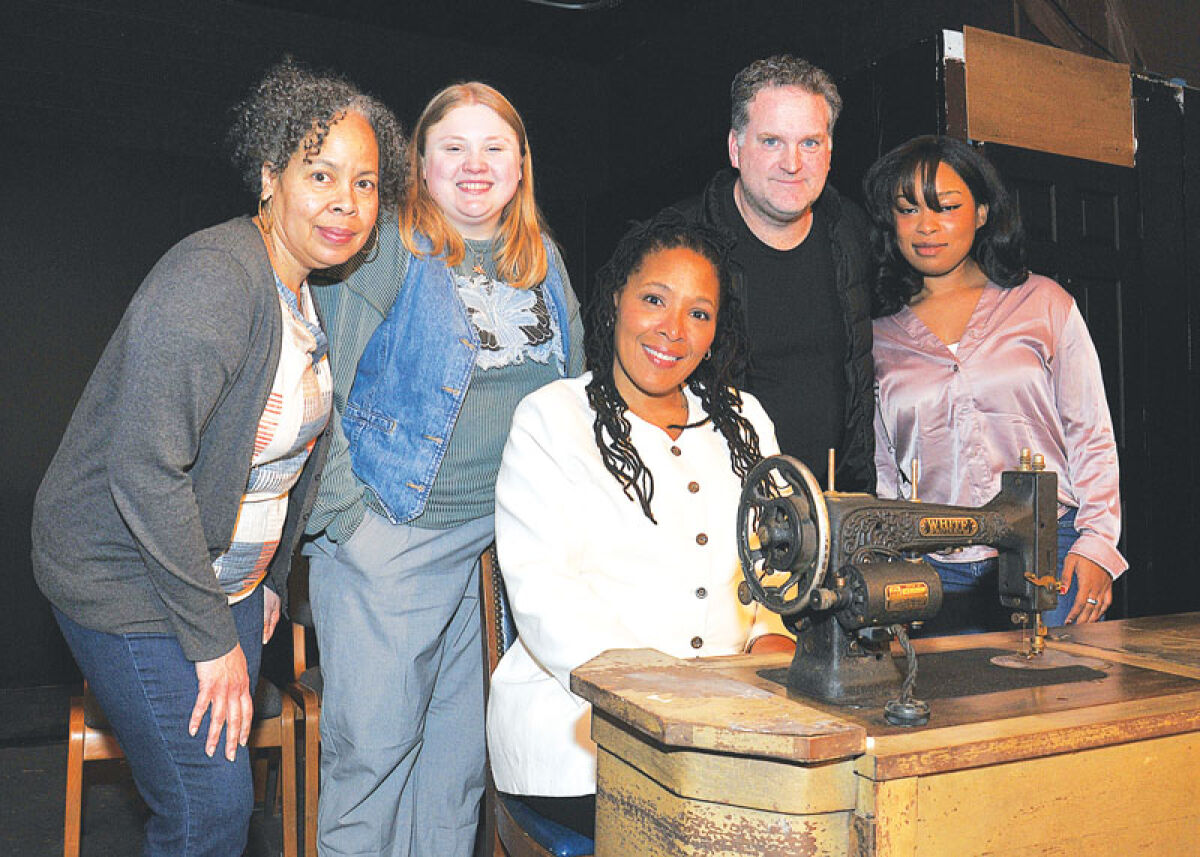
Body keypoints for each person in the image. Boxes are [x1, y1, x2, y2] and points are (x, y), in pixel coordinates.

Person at [31, 57, 404, 856]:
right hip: (122, 572)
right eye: (321, 174)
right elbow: (144, 469)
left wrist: (269, 580)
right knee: (210, 803)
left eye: (366, 183)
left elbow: (287, 462)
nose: (346, 200)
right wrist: (210, 642)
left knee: (219, 799)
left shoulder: (302, 291)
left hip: (220, 571)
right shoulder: (215, 280)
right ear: (270, 178)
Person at [303, 81, 584, 857]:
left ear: (521, 166)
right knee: (374, 760)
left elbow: (576, 398)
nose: (474, 165)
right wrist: (348, 521)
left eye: (494, 147)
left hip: (496, 553)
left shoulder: (543, 258)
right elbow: (318, 380)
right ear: (420, 167)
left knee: (458, 769)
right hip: (395, 537)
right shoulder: (386, 244)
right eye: (452, 148)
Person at [487, 213, 793, 840]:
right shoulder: (552, 419)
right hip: (581, 744)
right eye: (655, 299)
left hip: (736, 729)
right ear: (616, 299)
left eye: (699, 313)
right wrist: (668, 698)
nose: (673, 331)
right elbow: (547, 600)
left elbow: (778, 560)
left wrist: (772, 637)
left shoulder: (745, 419)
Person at [864, 135, 1126, 634]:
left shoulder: (1044, 303)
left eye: (947, 206)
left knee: (1062, 701)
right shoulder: (876, 336)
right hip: (934, 569)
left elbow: (1090, 433)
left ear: (982, 212)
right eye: (907, 209)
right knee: (955, 710)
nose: (926, 225)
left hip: (1054, 547)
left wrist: (1098, 545)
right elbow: (884, 471)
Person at [669, 54, 874, 491]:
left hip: (832, 511)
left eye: (810, 143)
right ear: (734, 148)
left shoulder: (853, 232)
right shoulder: (677, 243)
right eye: (772, 142)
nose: (793, 163)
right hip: (716, 513)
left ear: (830, 152)